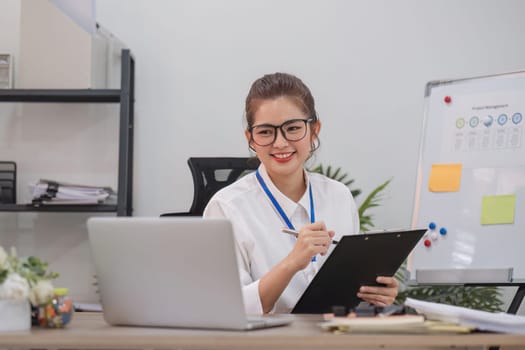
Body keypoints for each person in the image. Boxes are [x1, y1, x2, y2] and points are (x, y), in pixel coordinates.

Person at [203, 72, 398, 314]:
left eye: (293, 128)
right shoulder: (227, 207)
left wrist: (375, 294)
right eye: (265, 132)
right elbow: (227, 308)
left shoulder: (338, 196)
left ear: (314, 130)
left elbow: (351, 296)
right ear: (250, 139)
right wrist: (292, 263)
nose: (280, 143)